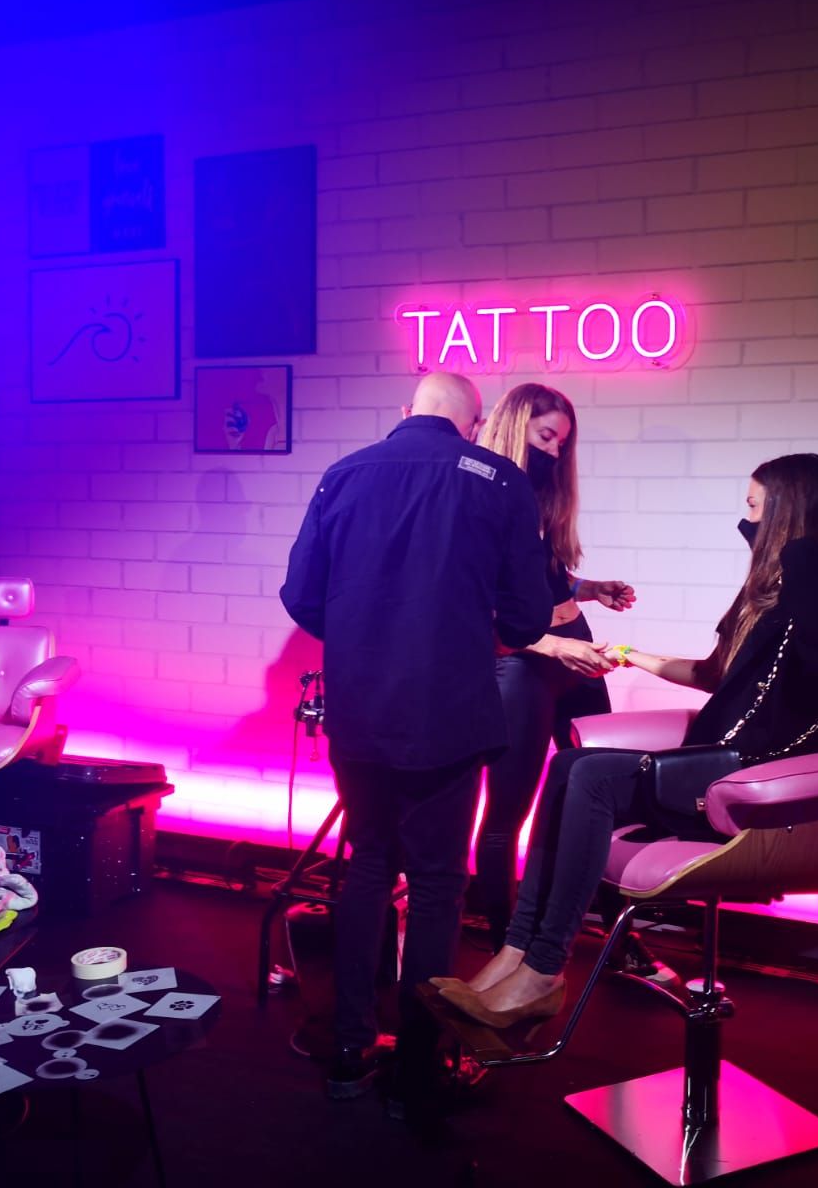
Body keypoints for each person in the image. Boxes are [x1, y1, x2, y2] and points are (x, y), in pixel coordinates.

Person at [435, 453, 818, 1026]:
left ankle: (543, 971)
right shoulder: (780, 594)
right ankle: (516, 952)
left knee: (591, 776)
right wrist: (629, 655)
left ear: (787, 511)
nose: (747, 523)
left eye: (754, 509)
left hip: (759, 787)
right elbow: (714, 675)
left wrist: (798, 553)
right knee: (570, 765)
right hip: (715, 766)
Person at [279, 371, 551, 1103]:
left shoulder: (343, 474)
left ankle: (349, 1045)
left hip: (360, 710)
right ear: (475, 423)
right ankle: (421, 1063)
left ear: (407, 411)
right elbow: (528, 618)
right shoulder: (498, 479)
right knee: (436, 882)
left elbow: (300, 595)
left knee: (369, 865)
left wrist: (365, 633)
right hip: (449, 714)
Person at [473, 382, 635, 951]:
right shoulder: (481, 491)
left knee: (603, 795)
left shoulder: (538, 494)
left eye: (562, 443)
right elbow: (480, 599)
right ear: (516, 424)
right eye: (546, 436)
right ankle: (506, 947)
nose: (554, 451)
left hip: (571, 643)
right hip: (525, 659)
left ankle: (616, 939)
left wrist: (586, 589)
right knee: (507, 812)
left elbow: (538, 574)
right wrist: (548, 644)